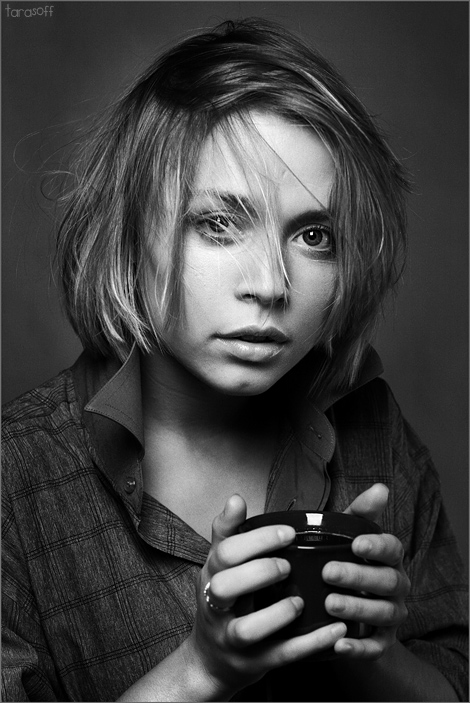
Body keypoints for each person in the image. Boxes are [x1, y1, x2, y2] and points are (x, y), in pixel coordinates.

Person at [2, 18, 467, 703]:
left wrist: (374, 654)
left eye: (314, 235)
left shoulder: (376, 434)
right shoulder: (17, 479)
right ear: (131, 237)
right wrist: (201, 671)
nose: (272, 284)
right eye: (219, 224)